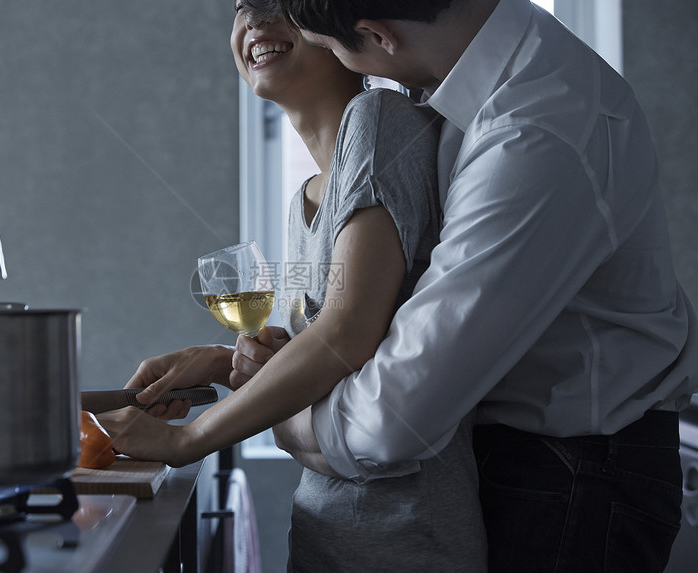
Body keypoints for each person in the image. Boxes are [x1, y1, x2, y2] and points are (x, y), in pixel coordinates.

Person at [267, 0, 698, 571]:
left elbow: (390, 420)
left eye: (334, 47)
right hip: (527, 459)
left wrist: (279, 416)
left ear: (376, 34)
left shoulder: (535, 130)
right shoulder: (472, 87)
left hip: (573, 476)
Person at [98, 0, 487, 570]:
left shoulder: (378, 119)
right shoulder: (306, 196)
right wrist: (223, 362)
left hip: (404, 540)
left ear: (333, 24)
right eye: (242, 7)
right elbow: (337, 355)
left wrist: (186, 440)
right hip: (330, 534)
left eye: (281, 5)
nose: (256, 19)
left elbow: (346, 332)